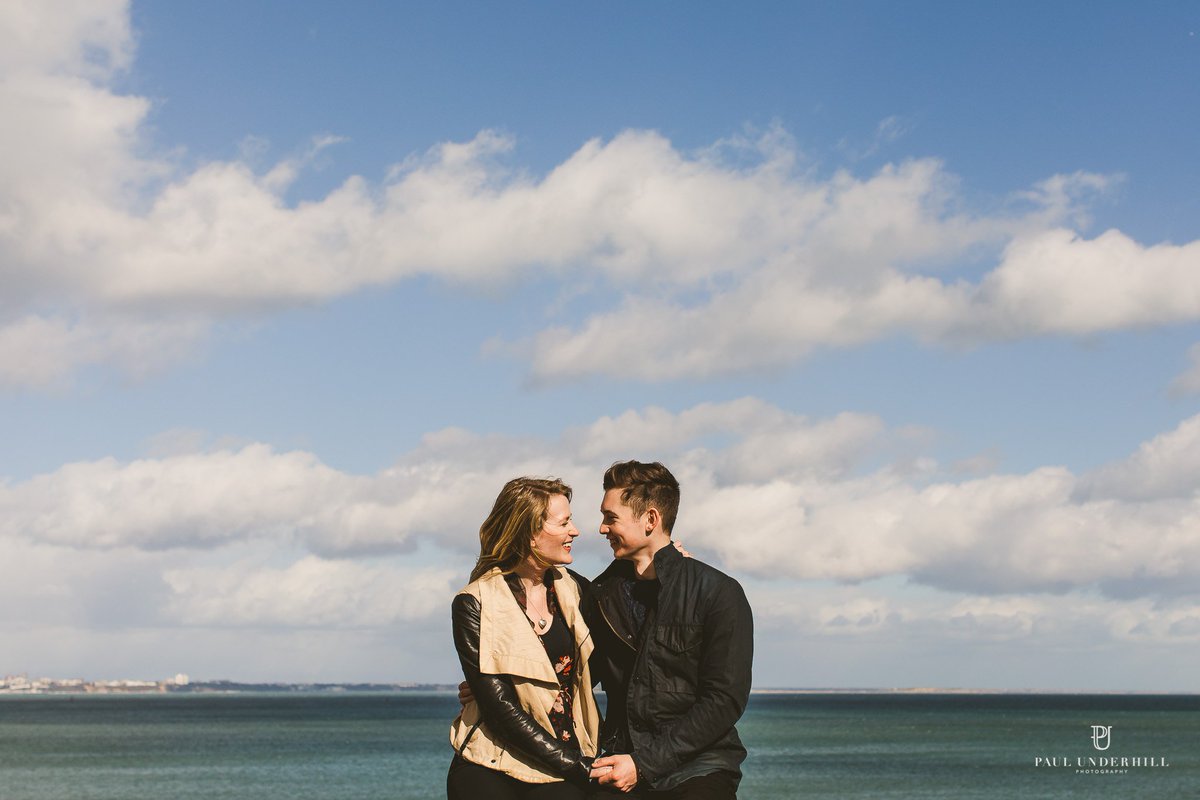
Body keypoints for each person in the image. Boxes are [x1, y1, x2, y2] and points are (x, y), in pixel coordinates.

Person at [585, 460, 753, 799]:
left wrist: (644, 764)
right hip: (620, 762)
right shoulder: (599, 595)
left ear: (650, 519)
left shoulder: (718, 592)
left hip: (699, 768)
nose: (602, 528)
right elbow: (577, 673)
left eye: (611, 518)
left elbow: (724, 700)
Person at [448, 477, 601, 800]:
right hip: (493, 762)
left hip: (568, 757)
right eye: (564, 522)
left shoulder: (577, 590)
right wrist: (579, 769)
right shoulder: (474, 602)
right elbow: (501, 712)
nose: (575, 531)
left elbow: (610, 659)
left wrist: (669, 564)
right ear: (531, 533)